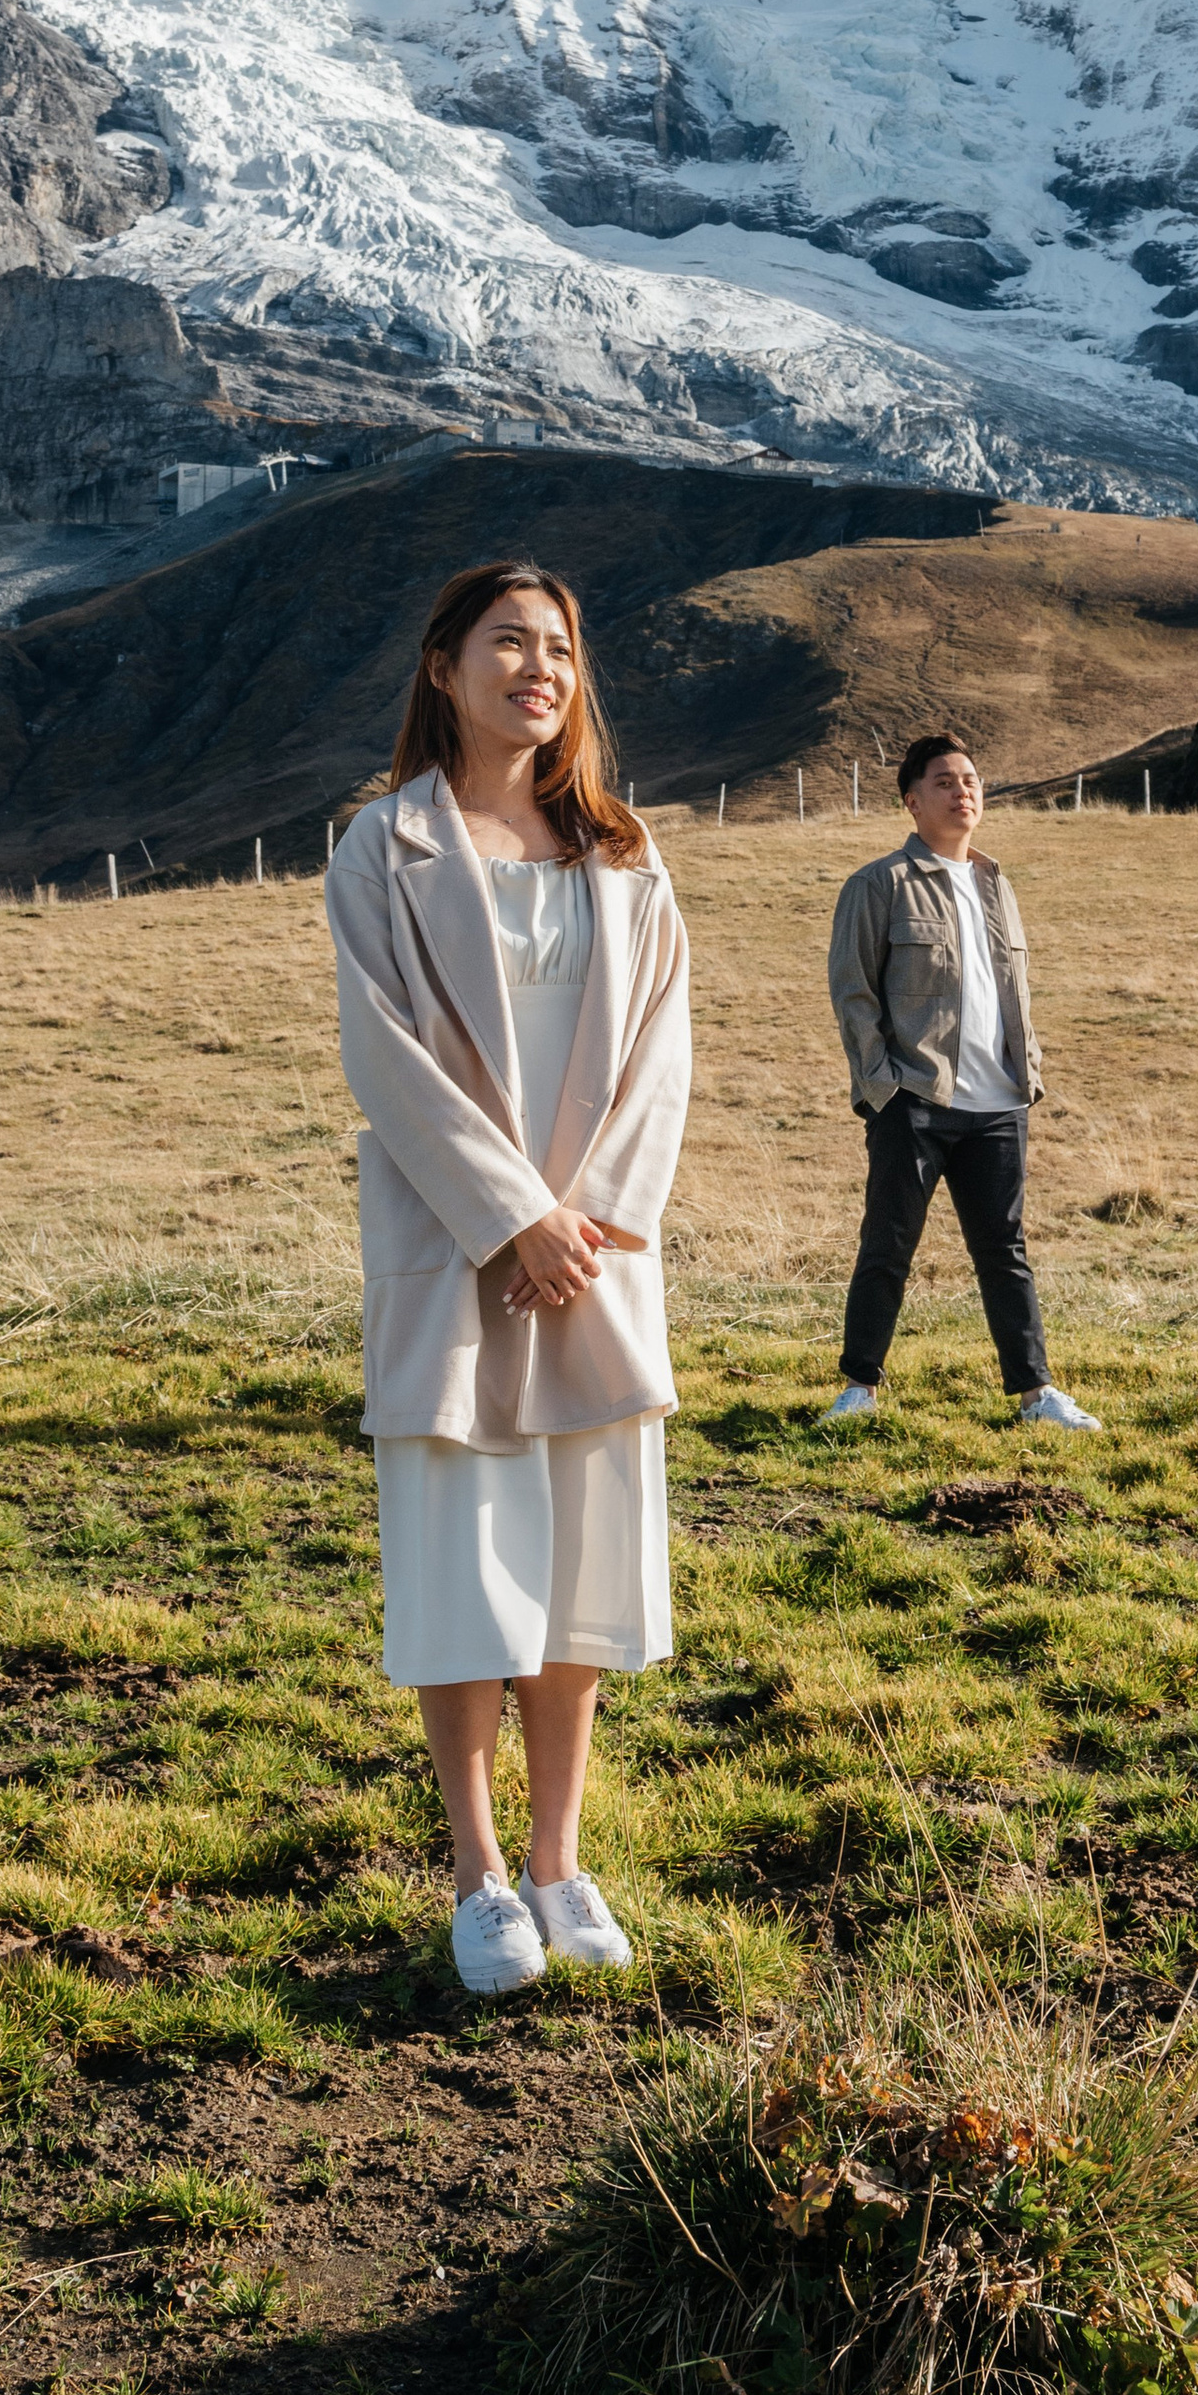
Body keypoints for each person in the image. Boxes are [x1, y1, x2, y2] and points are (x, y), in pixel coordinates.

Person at [328, 558, 692, 1995]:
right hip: (457, 1245)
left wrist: (587, 1217)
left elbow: (665, 1055)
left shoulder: (625, 850)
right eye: (506, 642)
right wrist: (510, 1217)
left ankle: (560, 1856)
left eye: (558, 646)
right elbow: (385, 1057)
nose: (536, 667)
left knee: (582, 1559)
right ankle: (478, 1872)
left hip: (592, 1256)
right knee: (465, 1559)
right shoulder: (386, 845)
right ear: (443, 666)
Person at [825, 731, 1099, 1433]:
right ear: (912, 802)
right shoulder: (879, 884)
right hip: (915, 1098)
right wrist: (881, 1085)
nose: (963, 791)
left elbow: (1015, 987)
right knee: (888, 1243)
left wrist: (1027, 1071)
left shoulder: (994, 884)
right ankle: (859, 1389)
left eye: (971, 779)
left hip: (999, 1102)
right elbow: (854, 992)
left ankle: (1037, 1395)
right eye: (945, 782)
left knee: (1005, 1252)